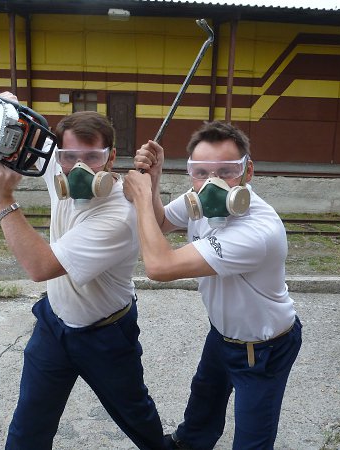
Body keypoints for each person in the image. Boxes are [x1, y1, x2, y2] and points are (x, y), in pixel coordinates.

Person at [0, 99, 166, 450]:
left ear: (111, 158)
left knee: (136, 415)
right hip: (54, 324)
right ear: (59, 155)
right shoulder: (59, 167)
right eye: (69, 157)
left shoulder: (119, 215)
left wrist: (3, 200)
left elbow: (40, 267)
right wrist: (5, 108)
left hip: (105, 334)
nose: (78, 168)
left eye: (92, 157)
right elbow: (16, 117)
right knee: (29, 424)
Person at [124, 121, 302, 450]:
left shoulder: (257, 231)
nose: (212, 182)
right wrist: (154, 179)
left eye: (227, 171)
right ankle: (190, 443)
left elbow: (160, 266)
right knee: (206, 393)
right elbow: (161, 222)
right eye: (201, 172)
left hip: (261, 347)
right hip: (222, 331)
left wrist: (140, 196)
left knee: (253, 434)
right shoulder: (200, 200)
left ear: (248, 171)